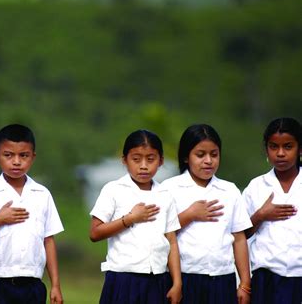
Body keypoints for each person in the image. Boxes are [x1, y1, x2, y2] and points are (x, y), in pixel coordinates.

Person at [160, 124, 252, 304]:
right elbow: (161, 234)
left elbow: (239, 238)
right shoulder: (169, 189)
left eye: (214, 154)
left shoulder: (229, 190)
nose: (208, 160)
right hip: (185, 276)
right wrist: (189, 215)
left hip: (222, 278)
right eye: (200, 155)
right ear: (186, 156)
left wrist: (245, 283)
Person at [0, 124, 64, 304]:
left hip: (32, 283)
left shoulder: (42, 194)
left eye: (23, 155)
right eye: (8, 155)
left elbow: (48, 240)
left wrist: (55, 285)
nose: (16, 161)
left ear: (33, 157)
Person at [89, 129, 182, 304]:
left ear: (161, 161)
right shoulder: (114, 190)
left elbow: (171, 240)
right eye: (136, 159)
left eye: (151, 159)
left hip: (158, 278)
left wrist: (177, 283)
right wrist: (130, 219)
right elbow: (95, 233)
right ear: (124, 160)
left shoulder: (165, 194)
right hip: (123, 279)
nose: (144, 166)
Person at [243, 117, 302, 304]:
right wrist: (261, 215)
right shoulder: (257, 186)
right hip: (266, 278)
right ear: (266, 149)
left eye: (288, 146)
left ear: (300, 149)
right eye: (274, 147)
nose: (281, 153)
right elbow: (239, 234)